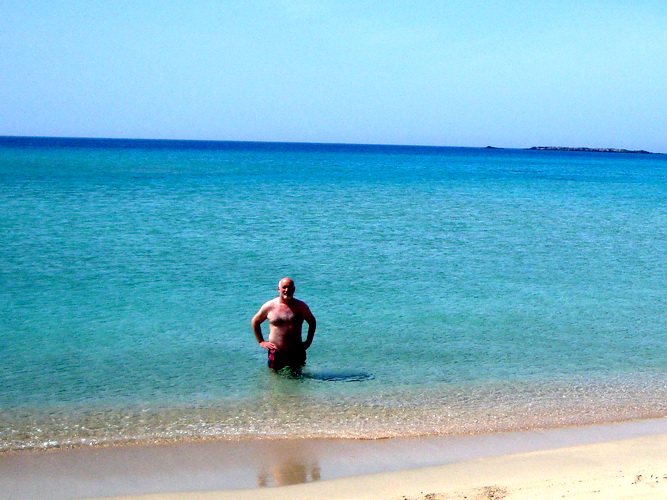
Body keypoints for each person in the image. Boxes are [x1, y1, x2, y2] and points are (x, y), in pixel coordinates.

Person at [251, 277, 316, 370]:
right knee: (275, 380)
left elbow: (312, 322)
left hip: (296, 350)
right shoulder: (269, 306)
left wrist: (308, 341)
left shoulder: (301, 306)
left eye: (289, 287)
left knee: (298, 378)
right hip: (277, 351)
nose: (287, 290)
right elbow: (255, 322)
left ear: (294, 289)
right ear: (279, 289)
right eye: (284, 287)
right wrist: (261, 341)